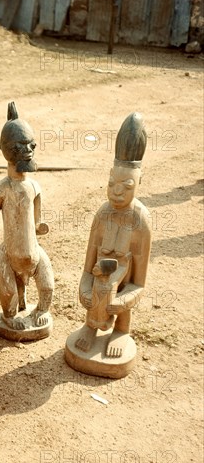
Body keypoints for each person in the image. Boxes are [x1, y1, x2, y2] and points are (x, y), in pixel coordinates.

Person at [74, 112, 151, 358]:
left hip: (122, 290)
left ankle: (121, 330)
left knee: (119, 279)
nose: (117, 193)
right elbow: (88, 267)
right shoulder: (102, 215)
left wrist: (119, 303)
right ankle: (90, 326)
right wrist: (85, 291)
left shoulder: (140, 219)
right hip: (98, 289)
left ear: (139, 183)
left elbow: (138, 282)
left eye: (126, 186)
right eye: (111, 184)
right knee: (100, 280)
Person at [0, 102, 54, 334]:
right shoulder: (0, 189)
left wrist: (39, 226)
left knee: (47, 287)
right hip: (8, 254)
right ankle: (9, 315)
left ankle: (40, 311)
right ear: (4, 149)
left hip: (34, 253)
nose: (27, 151)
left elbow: (37, 219)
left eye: (30, 145)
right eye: (19, 146)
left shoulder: (34, 186)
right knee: (9, 292)